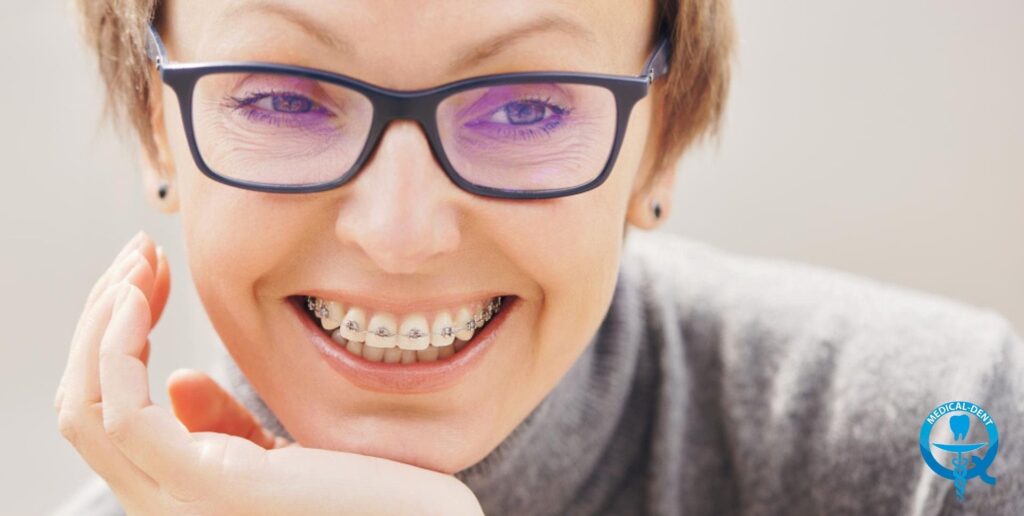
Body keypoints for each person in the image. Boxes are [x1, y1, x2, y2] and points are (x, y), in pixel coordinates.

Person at [54, 0, 1023, 514]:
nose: (400, 235)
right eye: (281, 99)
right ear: (156, 127)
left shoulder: (938, 449)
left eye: (526, 106)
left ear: (663, 142)